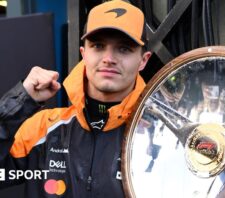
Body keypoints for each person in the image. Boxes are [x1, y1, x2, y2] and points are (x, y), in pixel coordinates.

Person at [0, 0, 152, 197]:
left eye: (124, 48)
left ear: (143, 60)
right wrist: (20, 102)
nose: (108, 58)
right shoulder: (43, 128)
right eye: (98, 46)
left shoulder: (158, 137)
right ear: (84, 53)